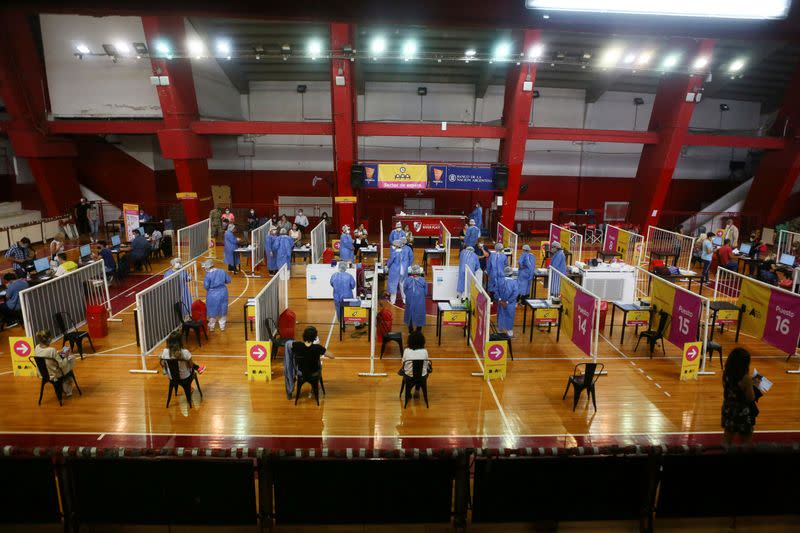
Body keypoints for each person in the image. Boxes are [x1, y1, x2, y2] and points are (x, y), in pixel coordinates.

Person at [721, 348, 761, 446]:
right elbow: (750, 398)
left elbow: (728, 390)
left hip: (728, 409)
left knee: (727, 438)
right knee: (746, 441)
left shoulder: (726, 374)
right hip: (741, 412)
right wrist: (755, 384)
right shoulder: (745, 378)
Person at [34, 330, 77, 397]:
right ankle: (68, 391)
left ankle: (64, 386)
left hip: (43, 373)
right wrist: (65, 356)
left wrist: (58, 354)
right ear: (48, 339)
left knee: (65, 359)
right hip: (54, 374)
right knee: (72, 358)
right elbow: (62, 365)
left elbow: (47, 356)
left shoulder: (36, 347)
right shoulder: (52, 350)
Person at [202, 259, 231, 331]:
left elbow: (206, 286)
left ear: (207, 267)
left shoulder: (208, 275)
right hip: (223, 292)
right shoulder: (222, 271)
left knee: (212, 310)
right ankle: (222, 326)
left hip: (212, 294)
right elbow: (228, 280)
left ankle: (211, 327)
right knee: (223, 308)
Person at [403, 264, 427, 332]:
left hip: (410, 300)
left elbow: (404, 290)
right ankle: (419, 330)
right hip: (420, 301)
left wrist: (409, 295)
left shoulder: (407, 280)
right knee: (420, 313)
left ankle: (410, 330)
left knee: (409, 313)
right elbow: (426, 292)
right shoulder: (423, 280)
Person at [495, 266, 519, 336]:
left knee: (501, 315)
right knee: (510, 315)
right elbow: (515, 294)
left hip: (500, 302)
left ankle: (500, 329)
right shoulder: (514, 282)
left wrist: (500, 300)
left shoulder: (499, 281)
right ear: (512, 274)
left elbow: (496, 291)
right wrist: (507, 302)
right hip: (510, 304)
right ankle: (509, 331)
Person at [386, 240, 404, 304]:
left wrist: (387, 266)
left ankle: (393, 301)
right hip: (403, 271)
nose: (392, 246)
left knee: (393, 285)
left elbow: (390, 262)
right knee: (402, 285)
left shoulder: (394, 253)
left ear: (396, 246)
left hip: (395, 271)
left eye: (393, 245)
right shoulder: (403, 252)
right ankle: (405, 300)